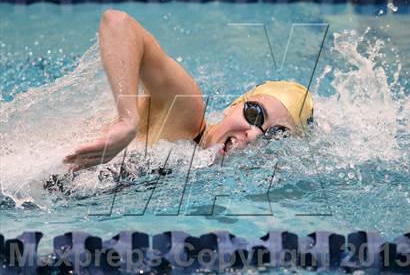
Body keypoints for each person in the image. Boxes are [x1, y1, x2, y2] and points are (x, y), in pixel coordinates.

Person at [64, 9, 313, 172]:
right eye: (255, 114)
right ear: (236, 103)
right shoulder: (186, 112)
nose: (254, 135)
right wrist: (128, 120)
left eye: (275, 135)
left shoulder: (197, 166)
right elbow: (117, 22)